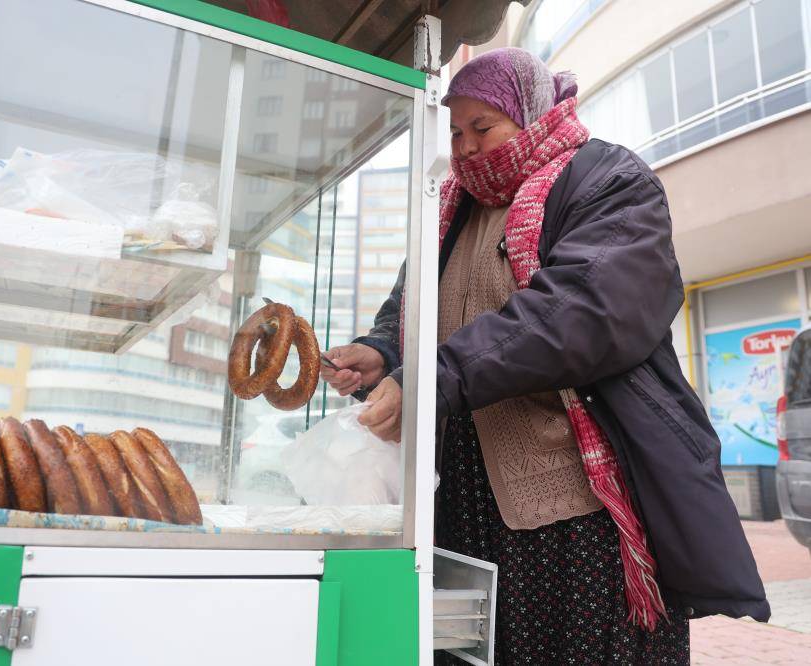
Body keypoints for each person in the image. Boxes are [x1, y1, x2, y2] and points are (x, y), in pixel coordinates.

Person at [321, 47, 769, 664]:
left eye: (484, 127)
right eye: (456, 131)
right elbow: (416, 304)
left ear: (529, 113)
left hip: (578, 510)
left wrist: (434, 375)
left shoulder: (609, 181)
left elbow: (580, 313)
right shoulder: (450, 208)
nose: (468, 146)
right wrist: (380, 352)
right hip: (469, 504)